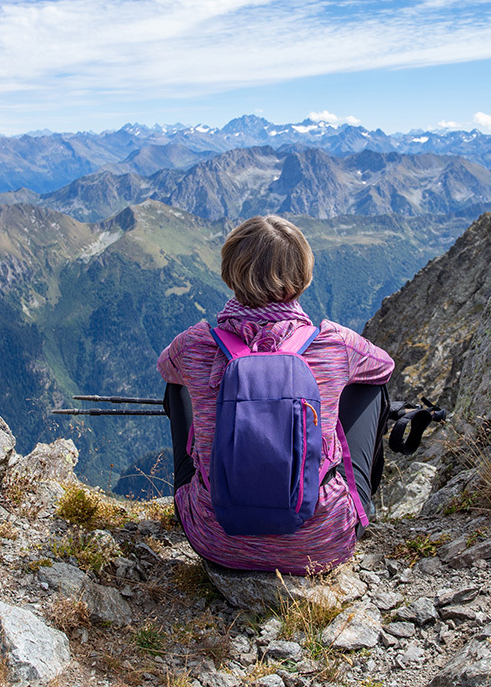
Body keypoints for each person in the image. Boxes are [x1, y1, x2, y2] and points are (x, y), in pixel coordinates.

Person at [157, 215, 394, 574]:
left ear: (230, 271)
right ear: (303, 276)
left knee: (178, 386)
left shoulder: (193, 344)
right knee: (369, 388)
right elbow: (384, 366)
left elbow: (165, 368)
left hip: (215, 540)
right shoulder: (335, 343)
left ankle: (198, 496)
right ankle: (353, 505)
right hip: (321, 545)